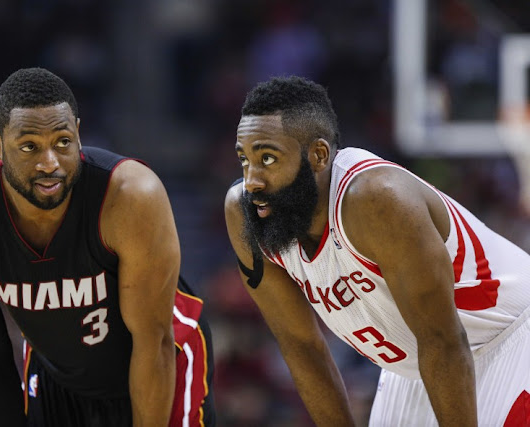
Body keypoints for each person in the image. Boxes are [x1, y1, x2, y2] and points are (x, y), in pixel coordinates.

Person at [224, 75, 530, 426]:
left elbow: (443, 339)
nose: (252, 179)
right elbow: (301, 345)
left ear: (318, 156)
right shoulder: (247, 213)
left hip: (507, 338)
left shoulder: (375, 199)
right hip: (418, 364)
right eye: (244, 159)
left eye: (268, 158)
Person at [0, 67, 215, 427]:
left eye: (62, 142)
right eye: (29, 146)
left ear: (78, 132)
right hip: (56, 373)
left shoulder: (130, 196)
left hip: (161, 357)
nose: (50, 163)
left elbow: (153, 342)